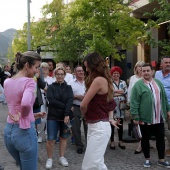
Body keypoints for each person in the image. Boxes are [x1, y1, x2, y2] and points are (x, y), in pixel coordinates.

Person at [3, 51, 46, 170]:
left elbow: (15, 106)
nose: (37, 71)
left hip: (8, 132)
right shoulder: (30, 81)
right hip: (24, 133)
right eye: (36, 67)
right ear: (27, 65)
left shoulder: (7, 82)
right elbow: (26, 104)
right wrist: (23, 116)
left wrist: (34, 115)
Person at [80, 52, 119, 170]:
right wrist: (111, 118)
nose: (86, 70)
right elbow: (111, 103)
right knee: (98, 165)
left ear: (94, 65)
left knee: (89, 166)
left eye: (87, 67)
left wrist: (84, 114)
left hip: (99, 127)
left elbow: (83, 104)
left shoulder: (98, 80)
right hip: (98, 126)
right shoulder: (103, 80)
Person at [130, 63, 170, 168]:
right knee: (145, 138)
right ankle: (147, 159)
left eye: (148, 70)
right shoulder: (138, 85)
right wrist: (135, 116)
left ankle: (161, 159)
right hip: (145, 118)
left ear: (152, 71)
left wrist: (168, 110)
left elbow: (164, 98)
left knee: (160, 138)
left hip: (159, 117)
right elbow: (134, 102)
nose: (146, 73)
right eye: (144, 71)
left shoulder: (158, 83)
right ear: (141, 72)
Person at [45, 67, 73, 169]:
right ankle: (50, 158)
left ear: (64, 75)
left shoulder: (69, 88)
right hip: (53, 116)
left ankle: (62, 157)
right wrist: (66, 107)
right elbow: (51, 101)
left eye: (62, 74)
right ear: (55, 75)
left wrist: (67, 113)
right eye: (58, 74)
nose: (60, 76)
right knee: (51, 139)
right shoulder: (51, 87)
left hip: (65, 116)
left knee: (63, 137)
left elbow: (70, 100)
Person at [68, 65, 87, 154]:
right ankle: (79, 145)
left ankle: (90, 146)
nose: (81, 72)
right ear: (75, 73)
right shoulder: (71, 83)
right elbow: (67, 96)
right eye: (79, 71)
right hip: (76, 107)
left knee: (89, 128)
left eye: (82, 71)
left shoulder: (88, 82)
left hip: (88, 108)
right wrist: (76, 96)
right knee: (76, 128)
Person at [127, 60, 145, 154]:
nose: (141, 68)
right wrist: (129, 103)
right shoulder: (133, 78)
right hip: (135, 105)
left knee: (145, 124)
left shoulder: (146, 78)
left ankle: (141, 144)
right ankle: (142, 142)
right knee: (137, 124)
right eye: (139, 66)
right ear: (136, 68)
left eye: (142, 66)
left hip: (145, 105)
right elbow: (130, 91)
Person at [155, 56, 170, 157]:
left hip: (169, 105)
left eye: (169, 63)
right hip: (159, 106)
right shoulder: (157, 74)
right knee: (164, 129)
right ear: (161, 64)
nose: (168, 64)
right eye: (166, 62)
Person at [109, 66, 127, 150]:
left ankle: (120, 140)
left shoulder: (123, 82)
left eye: (117, 73)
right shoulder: (109, 82)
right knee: (112, 124)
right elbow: (110, 93)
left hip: (121, 105)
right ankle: (112, 141)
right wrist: (120, 92)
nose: (116, 74)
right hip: (113, 106)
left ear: (119, 74)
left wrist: (115, 92)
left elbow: (125, 91)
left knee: (121, 123)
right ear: (112, 74)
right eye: (114, 73)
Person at [38, 62, 54, 143]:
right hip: (41, 99)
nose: (44, 69)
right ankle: (40, 135)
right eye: (43, 68)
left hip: (49, 99)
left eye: (46, 68)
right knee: (42, 119)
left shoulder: (51, 79)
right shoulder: (38, 79)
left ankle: (48, 134)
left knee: (49, 118)